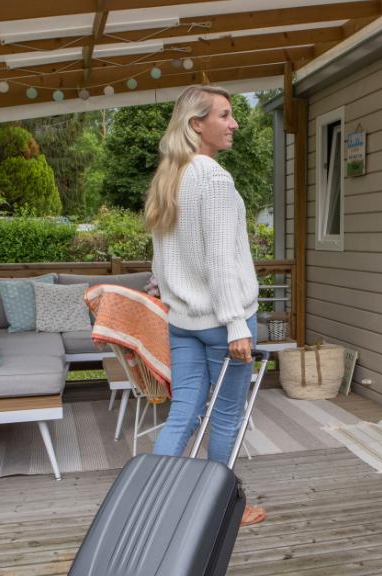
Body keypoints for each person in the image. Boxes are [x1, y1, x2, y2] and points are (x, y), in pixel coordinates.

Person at [146, 85, 266, 527]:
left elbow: (160, 260)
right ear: (198, 124)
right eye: (225, 115)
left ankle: (154, 504)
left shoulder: (169, 176)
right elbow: (219, 258)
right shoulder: (213, 177)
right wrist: (237, 323)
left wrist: (172, 301)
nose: (234, 123)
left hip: (184, 323)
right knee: (226, 416)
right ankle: (221, 512)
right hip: (222, 321)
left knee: (184, 413)